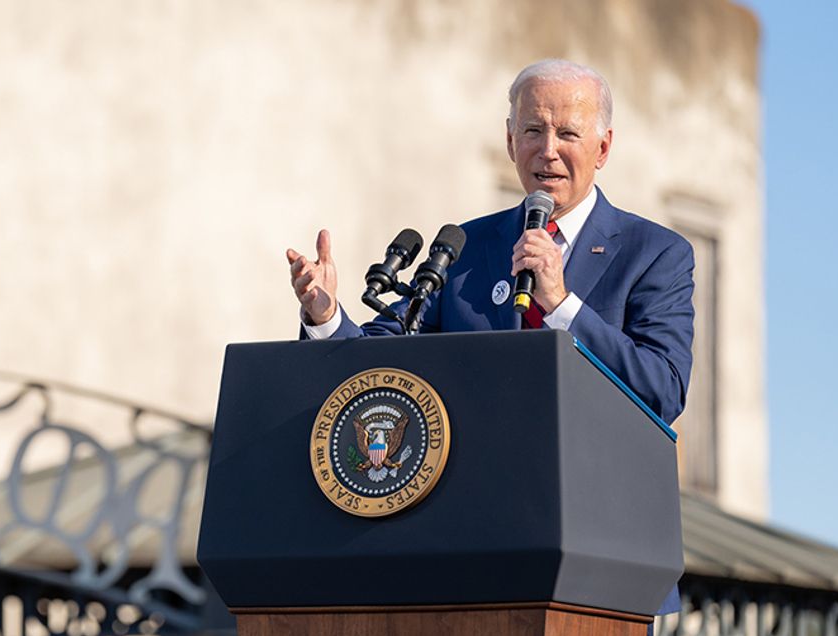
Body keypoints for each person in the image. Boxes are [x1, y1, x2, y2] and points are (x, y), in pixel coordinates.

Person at [285, 59, 695, 427]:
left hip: (588, 494)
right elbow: (380, 361)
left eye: (568, 133)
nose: (548, 151)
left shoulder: (654, 254)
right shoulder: (465, 248)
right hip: (476, 494)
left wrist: (562, 304)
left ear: (602, 148)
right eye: (533, 130)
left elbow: (662, 389)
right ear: (511, 141)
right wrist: (326, 317)